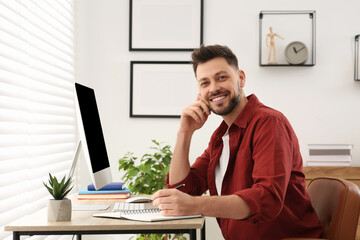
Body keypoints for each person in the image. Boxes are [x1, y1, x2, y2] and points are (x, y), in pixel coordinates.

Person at [151, 44, 322, 240]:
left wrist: (194, 204)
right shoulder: (221, 136)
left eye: (221, 77)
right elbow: (183, 190)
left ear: (241, 78)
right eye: (204, 83)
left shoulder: (268, 123)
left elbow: (267, 199)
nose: (214, 88)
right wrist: (185, 133)